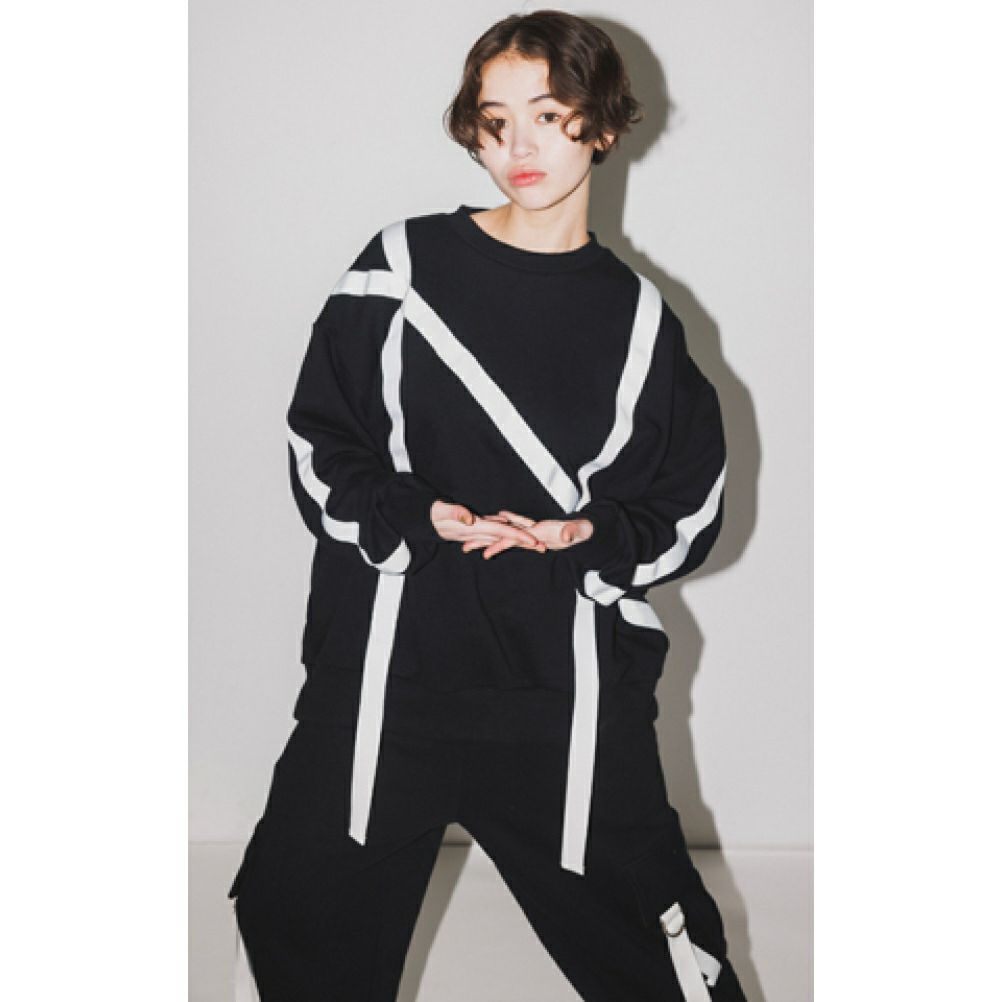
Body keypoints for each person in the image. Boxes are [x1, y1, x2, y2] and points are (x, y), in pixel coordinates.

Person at [226, 10, 747, 1002]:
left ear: (602, 124)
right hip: (383, 682)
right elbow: (320, 440)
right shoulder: (398, 269)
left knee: (658, 947)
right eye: (496, 121)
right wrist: (409, 514)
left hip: (562, 691)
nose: (519, 146)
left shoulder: (643, 324)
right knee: (300, 919)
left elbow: (689, 503)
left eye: (549, 115)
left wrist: (587, 535)